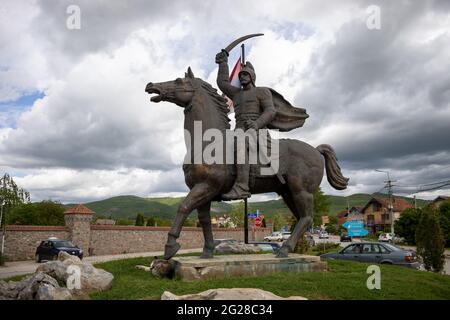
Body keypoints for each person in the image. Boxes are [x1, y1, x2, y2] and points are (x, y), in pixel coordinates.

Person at [215, 50, 276, 200]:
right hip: (239, 129)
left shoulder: (262, 92)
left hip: (257, 130)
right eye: (240, 75)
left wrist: (256, 124)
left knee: (240, 144)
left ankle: (242, 186)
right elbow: (222, 83)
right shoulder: (236, 94)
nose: (242, 77)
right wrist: (223, 63)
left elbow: (270, 111)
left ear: (252, 77)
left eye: (245, 74)